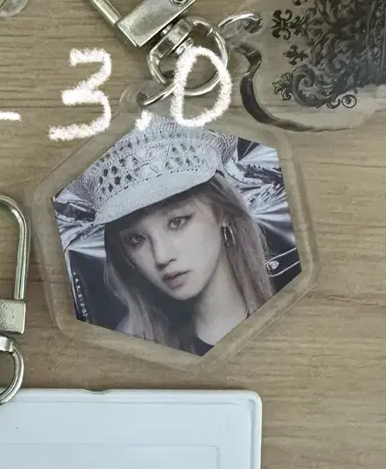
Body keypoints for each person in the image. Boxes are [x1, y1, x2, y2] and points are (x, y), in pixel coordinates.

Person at [69, 117, 273, 353]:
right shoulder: (128, 351)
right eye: (136, 239)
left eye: (177, 222)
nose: (161, 256)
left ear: (222, 212)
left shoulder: (290, 300)